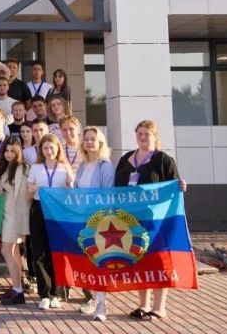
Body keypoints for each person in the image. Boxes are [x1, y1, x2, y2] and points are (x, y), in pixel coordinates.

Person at [116, 120, 187, 322]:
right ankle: (143, 304)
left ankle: (159, 307)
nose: (142, 137)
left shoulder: (163, 160)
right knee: (139, 261)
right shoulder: (126, 159)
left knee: (158, 262)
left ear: (155, 136)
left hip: (157, 223)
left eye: (147, 134)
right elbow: (116, 189)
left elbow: (175, 187)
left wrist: (181, 186)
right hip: (131, 221)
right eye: (139, 133)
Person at [26, 133, 74, 311]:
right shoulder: (36, 167)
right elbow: (28, 191)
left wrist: (70, 184)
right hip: (39, 209)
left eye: (51, 148)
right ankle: (45, 294)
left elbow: (71, 190)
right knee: (39, 252)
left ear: (58, 148)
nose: (48, 151)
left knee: (57, 252)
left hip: (58, 212)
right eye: (45, 148)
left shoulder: (64, 167)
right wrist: (34, 188)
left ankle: (57, 292)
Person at [74, 126, 116, 322]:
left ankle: (101, 305)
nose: (89, 142)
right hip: (83, 220)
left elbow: (108, 194)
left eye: (93, 139)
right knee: (88, 261)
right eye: (86, 139)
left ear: (100, 143)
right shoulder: (83, 165)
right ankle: (93, 298)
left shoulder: (105, 166)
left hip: (100, 221)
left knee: (100, 261)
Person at [0, 137, 31, 306]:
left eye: (12, 151)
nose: (9, 154)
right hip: (6, 213)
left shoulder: (23, 168)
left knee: (6, 250)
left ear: (18, 152)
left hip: (16, 216)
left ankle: (18, 289)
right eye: (6, 151)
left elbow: (22, 195)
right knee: (14, 251)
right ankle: (17, 288)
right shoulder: (4, 167)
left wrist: (2, 187)